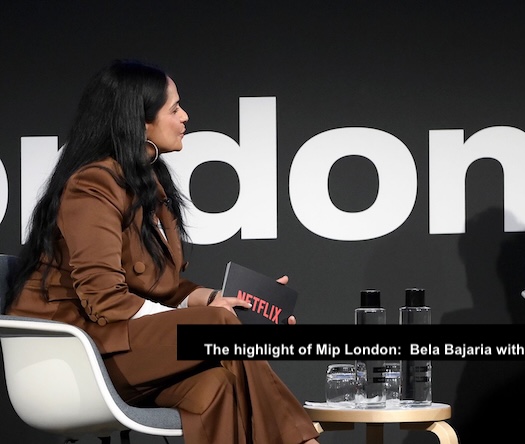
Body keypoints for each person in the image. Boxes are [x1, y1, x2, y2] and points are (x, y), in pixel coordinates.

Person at [6, 60, 320, 444]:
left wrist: (230, 303)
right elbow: (105, 301)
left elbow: (166, 289)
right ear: (140, 122)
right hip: (74, 357)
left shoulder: (151, 183)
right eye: (174, 109)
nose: (185, 117)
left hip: (126, 348)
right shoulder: (92, 184)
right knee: (216, 326)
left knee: (215, 384)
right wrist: (213, 317)